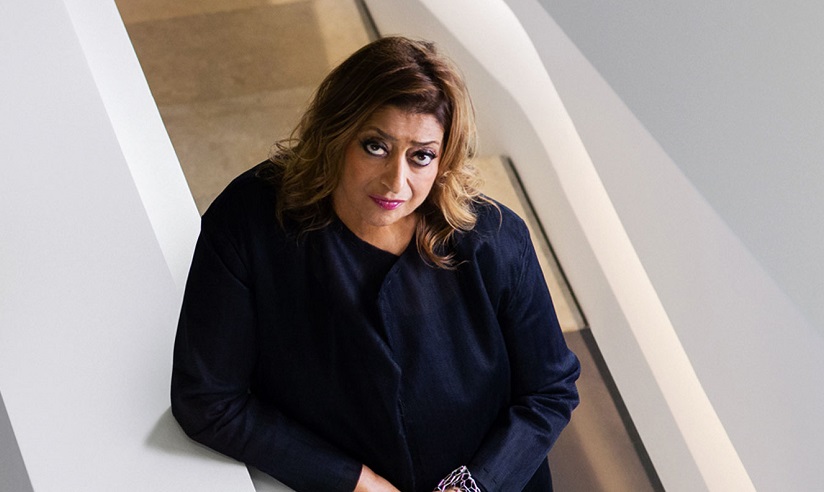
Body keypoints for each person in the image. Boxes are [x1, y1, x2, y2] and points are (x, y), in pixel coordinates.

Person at [171, 36, 580, 492]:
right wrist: (356, 483)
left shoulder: (495, 239)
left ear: (443, 158)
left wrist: (474, 485)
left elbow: (550, 389)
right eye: (375, 146)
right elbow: (207, 399)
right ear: (335, 133)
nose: (395, 182)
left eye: (421, 156)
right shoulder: (250, 221)